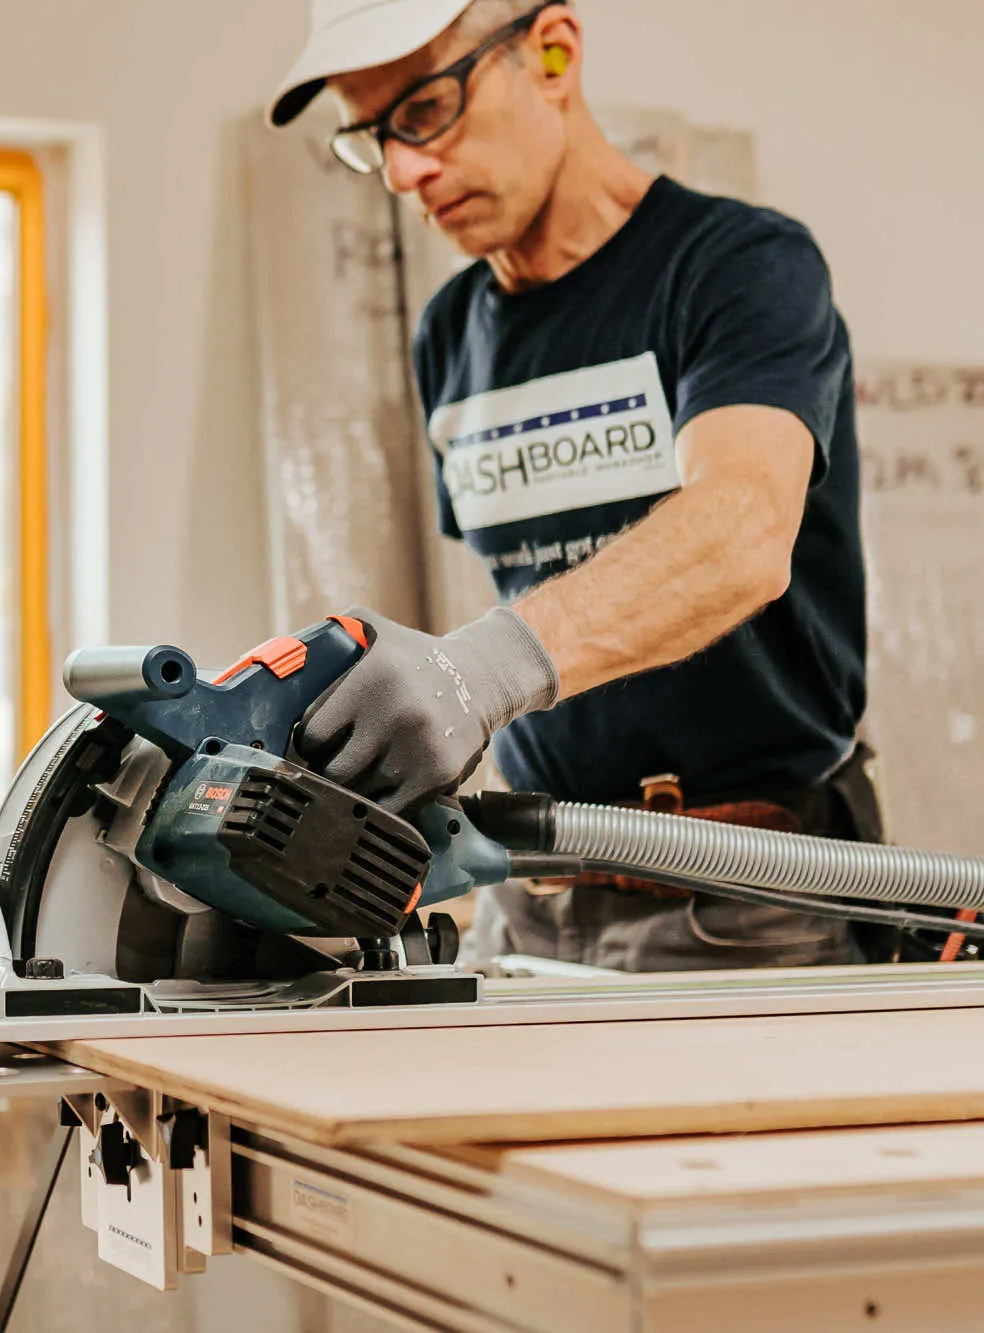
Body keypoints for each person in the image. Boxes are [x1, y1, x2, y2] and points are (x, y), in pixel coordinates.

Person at [268, 0, 886, 970]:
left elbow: (741, 532)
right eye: (370, 137)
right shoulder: (448, 334)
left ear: (551, 52)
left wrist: (480, 667)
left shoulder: (736, 268)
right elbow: (531, 575)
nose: (401, 171)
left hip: (741, 900)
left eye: (424, 110)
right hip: (530, 893)